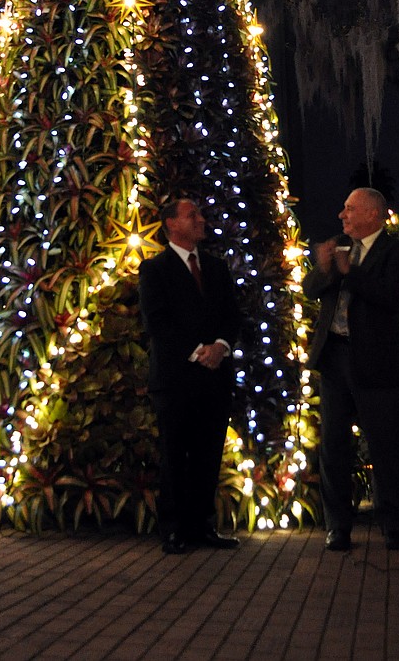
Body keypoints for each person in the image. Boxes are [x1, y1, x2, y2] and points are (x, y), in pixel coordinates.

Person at [303, 188, 399, 551]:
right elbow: (311, 289)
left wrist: (351, 274)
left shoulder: (396, 251)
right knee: (333, 446)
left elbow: (389, 296)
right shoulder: (339, 248)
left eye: (350, 209)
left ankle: (395, 526)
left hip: (376, 362)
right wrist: (324, 269)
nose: (342, 215)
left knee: (386, 447)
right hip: (335, 358)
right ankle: (338, 526)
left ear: (373, 214)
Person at [139, 198, 241, 554]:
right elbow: (158, 322)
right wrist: (200, 351)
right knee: (174, 453)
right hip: (176, 378)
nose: (200, 219)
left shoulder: (216, 267)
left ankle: (203, 526)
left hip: (215, 378)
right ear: (171, 224)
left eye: (199, 213)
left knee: (208, 454)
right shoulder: (155, 270)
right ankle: (173, 529)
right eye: (191, 215)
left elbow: (233, 314)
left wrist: (221, 346)